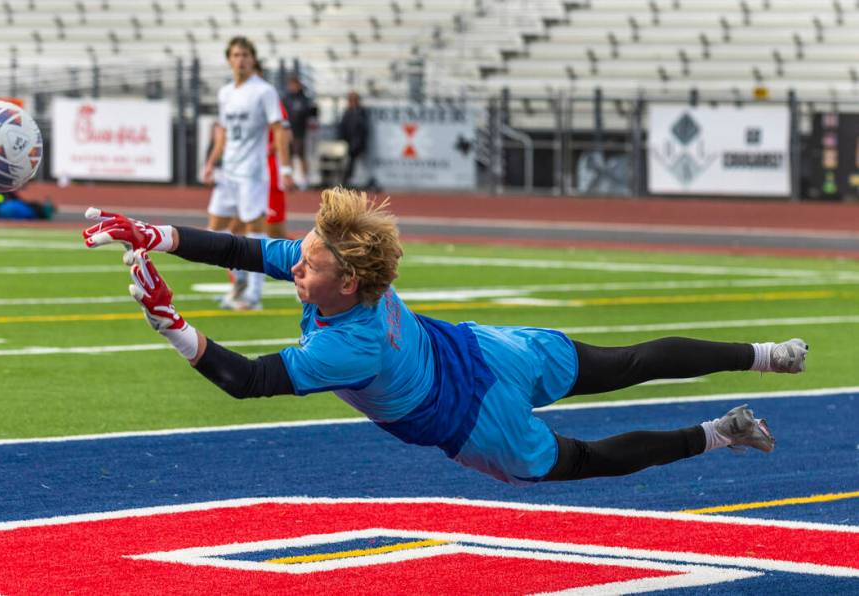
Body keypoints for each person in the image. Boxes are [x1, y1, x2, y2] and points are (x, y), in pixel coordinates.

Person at [82, 188, 808, 486]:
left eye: (308, 262)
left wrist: (168, 321)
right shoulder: (343, 276)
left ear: (346, 284)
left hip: (473, 420)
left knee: (583, 459)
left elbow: (245, 381)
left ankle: (719, 434)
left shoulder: (348, 344)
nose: (292, 262)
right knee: (625, 362)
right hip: (484, 350)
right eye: (301, 253)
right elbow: (242, 252)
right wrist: (157, 233)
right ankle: (766, 356)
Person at [201, 36, 294, 311]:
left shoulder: (264, 91)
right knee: (214, 232)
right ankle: (239, 279)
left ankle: (253, 294)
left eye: (245, 54)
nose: (240, 59)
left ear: (253, 59)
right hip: (229, 172)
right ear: (229, 59)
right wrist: (211, 162)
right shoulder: (225, 92)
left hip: (253, 173)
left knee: (255, 234)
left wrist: (286, 168)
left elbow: (279, 130)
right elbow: (223, 132)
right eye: (236, 55)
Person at [283, 76, 316, 188]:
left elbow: (310, 114)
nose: (292, 87)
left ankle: (304, 180)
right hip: (288, 133)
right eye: (290, 85)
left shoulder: (304, 99)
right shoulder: (286, 99)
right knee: (288, 156)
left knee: (301, 156)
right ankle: (289, 179)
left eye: (294, 85)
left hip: (300, 133)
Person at [337, 91, 369, 187]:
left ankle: (352, 181)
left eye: (353, 100)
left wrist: (359, 142)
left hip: (357, 142)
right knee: (348, 162)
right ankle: (346, 181)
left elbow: (363, 129)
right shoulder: (347, 112)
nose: (350, 102)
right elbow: (343, 127)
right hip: (348, 142)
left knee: (355, 162)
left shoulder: (361, 112)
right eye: (350, 100)